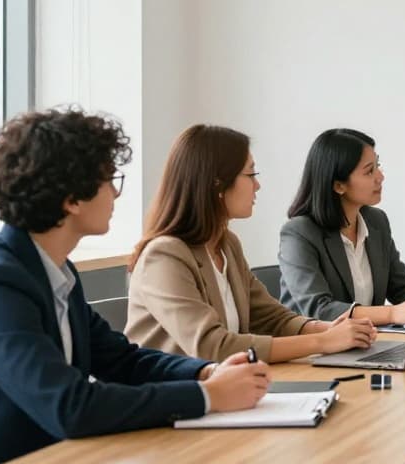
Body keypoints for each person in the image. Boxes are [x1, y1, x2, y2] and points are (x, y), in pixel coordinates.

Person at [0, 109, 271, 464]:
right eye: (108, 179)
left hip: (49, 461)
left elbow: (123, 361)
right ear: (72, 198)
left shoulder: (54, 269)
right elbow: (70, 406)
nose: (116, 191)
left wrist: (206, 372)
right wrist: (207, 396)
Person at [125, 125, 377, 362]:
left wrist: (331, 329)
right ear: (217, 184)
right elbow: (212, 346)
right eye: (250, 174)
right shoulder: (164, 256)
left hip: (223, 389)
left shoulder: (227, 244)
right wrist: (321, 342)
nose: (258, 185)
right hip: (173, 398)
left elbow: (272, 318)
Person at [278, 128, 405, 323]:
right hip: (315, 349)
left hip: (367, 344)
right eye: (369, 171)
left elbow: (401, 287)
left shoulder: (377, 221)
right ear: (339, 185)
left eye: (377, 166)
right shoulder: (299, 233)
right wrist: (392, 313)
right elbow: (319, 309)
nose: (380, 176)